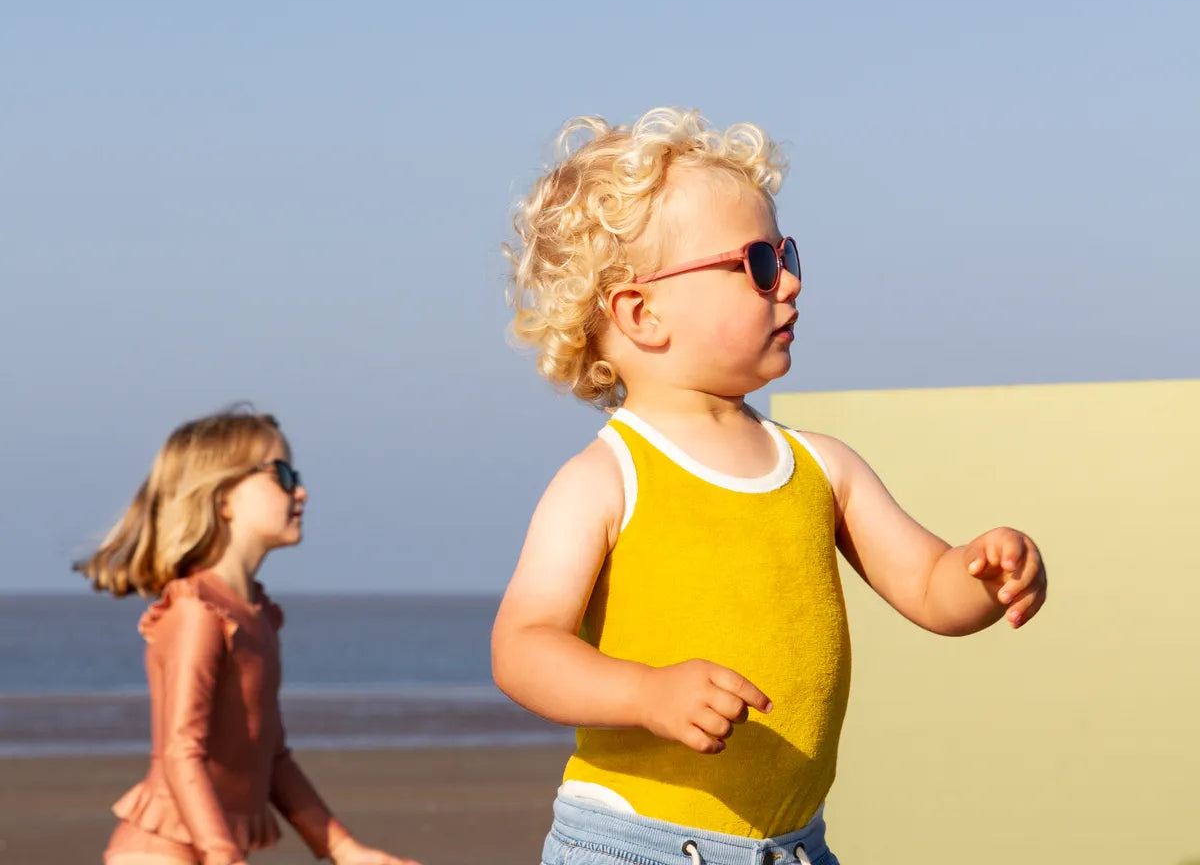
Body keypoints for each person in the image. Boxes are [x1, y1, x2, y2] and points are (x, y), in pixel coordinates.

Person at [492, 107, 1047, 865]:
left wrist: (984, 573)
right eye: (755, 262)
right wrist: (645, 694)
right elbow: (523, 648)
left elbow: (928, 585)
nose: (787, 280)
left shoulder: (824, 467)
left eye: (787, 253)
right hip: (634, 845)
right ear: (642, 312)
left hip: (791, 846)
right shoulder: (605, 479)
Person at [77, 409, 420, 865]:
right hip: (162, 852)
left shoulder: (255, 614)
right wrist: (223, 854)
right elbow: (182, 753)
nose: (301, 490)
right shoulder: (196, 612)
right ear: (221, 497)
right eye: (280, 473)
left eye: (294, 473)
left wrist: (344, 848)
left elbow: (271, 756)